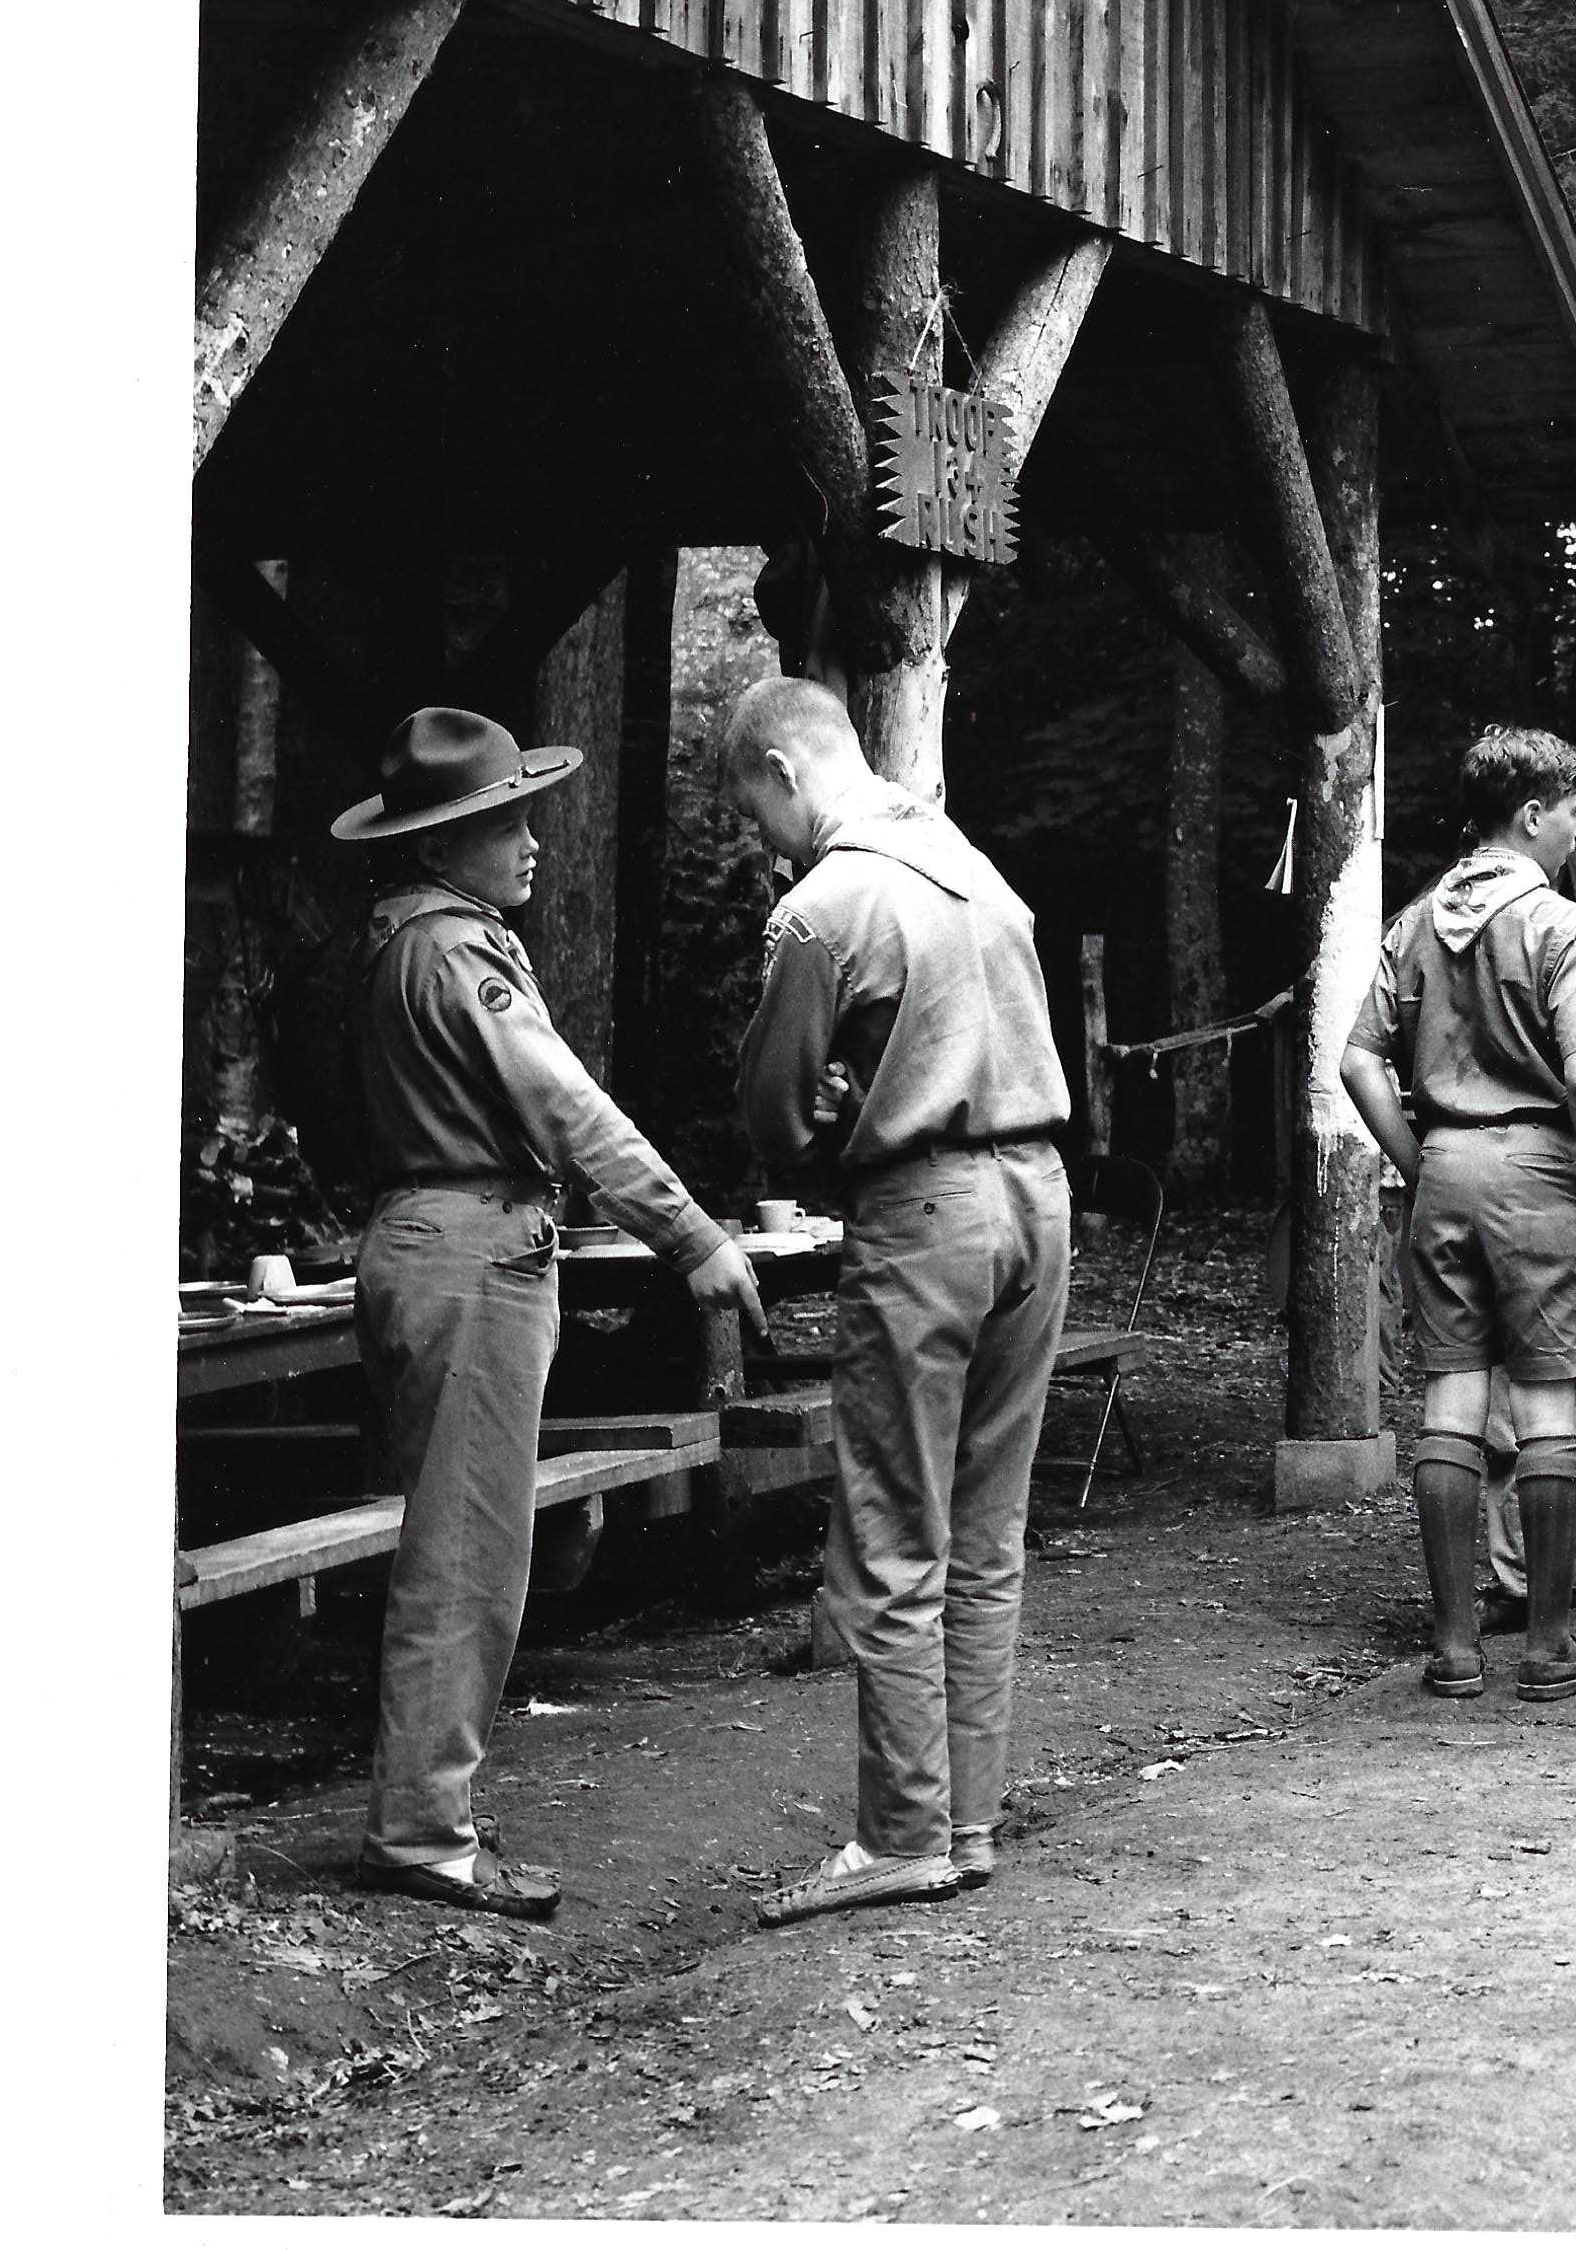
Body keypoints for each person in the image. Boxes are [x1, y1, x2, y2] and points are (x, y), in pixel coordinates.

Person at [334, 706, 767, 1920]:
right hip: (469, 1254)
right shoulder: (451, 952)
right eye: (503, 822)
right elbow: (565, 1105)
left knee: (462, 1546)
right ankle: (422, 1834)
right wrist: (690, 1235)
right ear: (438, 841)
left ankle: (425, 1817)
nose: (531, 841)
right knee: (466, 1558)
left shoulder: (397, 938)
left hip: (441, 1239)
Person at [718, 678, 1075, 1926]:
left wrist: (827, 1126)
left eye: (752, 808)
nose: (760, 837)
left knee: (889, 1529)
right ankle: (964, 1821)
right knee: (985, 1530)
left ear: (782, 770)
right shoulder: (970, 862)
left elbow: (772, 1115)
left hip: (926, 1214)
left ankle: (901, 1834)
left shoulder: (823, 907)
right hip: (1039, 1198)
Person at [1341, 726, 1576, 1704]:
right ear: (1532, 814)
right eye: (1573, 814)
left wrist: (1421, 1162)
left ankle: (1455, 1647)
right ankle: (1547, 1648)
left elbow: (1357, 1061)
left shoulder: (1415, 922)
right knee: (1547, 1409)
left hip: (1446, 1174)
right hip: (1539, 1176)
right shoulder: (1562, 926)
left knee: (1450, 1407)